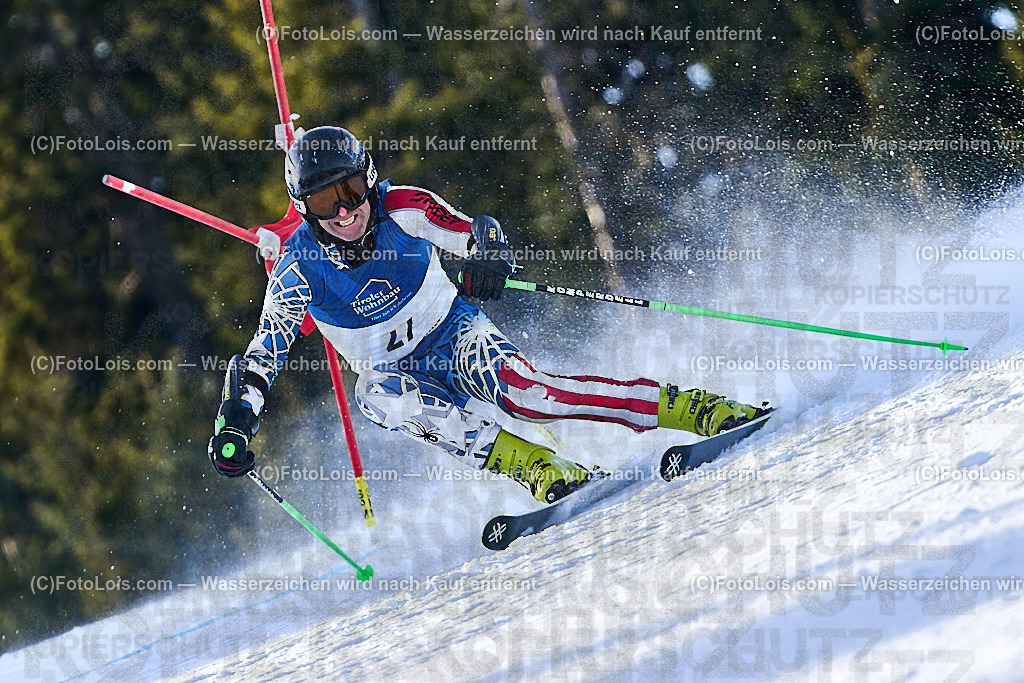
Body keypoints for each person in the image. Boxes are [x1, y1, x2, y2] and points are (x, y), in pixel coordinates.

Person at [208, 126, 768, 503]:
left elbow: (475, 233)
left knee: (531, 396)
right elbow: (264, 355)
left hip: (452, 333)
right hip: (394, 372)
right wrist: (237, 417)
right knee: (375, 396)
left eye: (353, 190)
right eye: (328, 203)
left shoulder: (401, 208)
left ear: (369, 180)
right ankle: (541, 469)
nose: (348, 211)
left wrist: (488, 258)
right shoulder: (298, 269)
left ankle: (694, 408)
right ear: (305, 210)